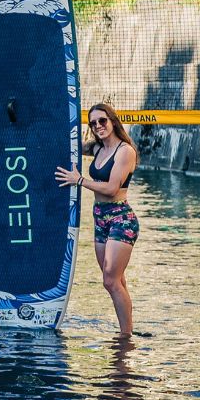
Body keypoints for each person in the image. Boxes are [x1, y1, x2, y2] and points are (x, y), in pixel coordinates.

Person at [55, 103, 139, 337]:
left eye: (102, 121)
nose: (98, 126)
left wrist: (79, 180)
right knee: (117, 280)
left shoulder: (125, 151)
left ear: (112, 120)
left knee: (110, 280)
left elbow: (112, 188)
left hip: (121, 218)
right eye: (93, 123)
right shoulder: (97, 149)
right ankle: (128, 330)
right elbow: (66, 146)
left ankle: (125, 336)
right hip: (100, 218)